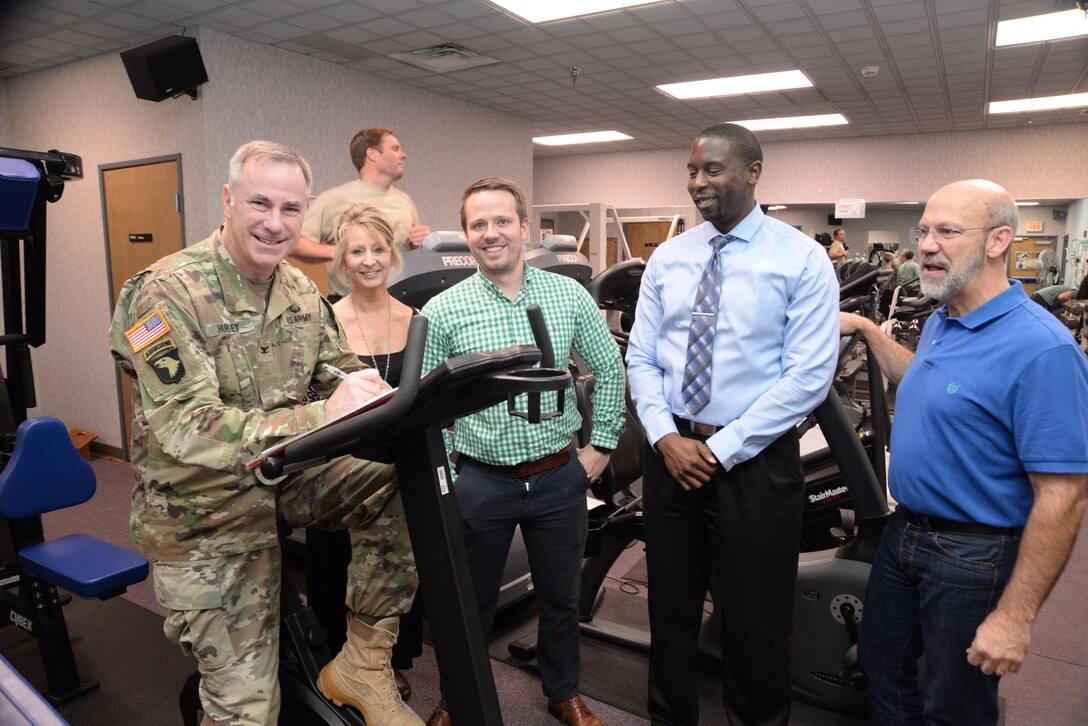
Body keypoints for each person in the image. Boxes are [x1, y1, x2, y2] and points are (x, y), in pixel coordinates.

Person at [109, 141, 423, 726]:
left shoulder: (300, 291)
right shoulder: (162, 292)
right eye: (260, 203)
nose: (275, 224)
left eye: (291, 209)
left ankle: (362, 662)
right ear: (228, 200)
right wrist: (323, 415)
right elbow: (186, 425)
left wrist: (384, 397)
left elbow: (339, 370)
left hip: (282, 478)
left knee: (403, 483)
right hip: (204, 515)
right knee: (249, 712)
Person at [840, 179, 1088, 725]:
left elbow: (1064, 497)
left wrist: (1016, 618)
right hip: (905, 533)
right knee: (883, 666)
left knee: (956, 702)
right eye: (924, 230)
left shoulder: (1042, 349)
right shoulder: (944, 318)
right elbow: (920, 378)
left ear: (999, 240)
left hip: (973, 555)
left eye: (948, 231)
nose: (928, 244)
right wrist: (863, 327)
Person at [626, 123, 839, 726]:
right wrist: (666, 437)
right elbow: (641, 357)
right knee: (669, 615)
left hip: (753, 464)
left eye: (712, 170)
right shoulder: (669, 258)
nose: (698, 182)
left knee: (756, 625)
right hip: (670, 459)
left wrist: (718, 450)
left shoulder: (800, 259)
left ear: (753, 171)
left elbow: (807, 379)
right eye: (692, 170)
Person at [419, 177, 625, 726]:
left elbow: (609, 370)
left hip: (559, 475)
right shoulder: (443, 310)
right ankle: (456, 699)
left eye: (502, 221)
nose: (492, 234)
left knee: (561, 599)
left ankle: (564, 693)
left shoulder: (567, 295)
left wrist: (600, 447)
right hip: (481, 482)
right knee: (471, 606)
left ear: (525, 227)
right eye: (478, 224)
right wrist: (452, 477)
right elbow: (424, 410)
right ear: (466, 235)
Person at [305, 203, 423, 702]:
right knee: (339, 566)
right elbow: (309, 396)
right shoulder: (323, 320)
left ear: (392, 255)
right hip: (341, 467)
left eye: (378, 249)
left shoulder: (417, 319)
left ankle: (388, 660)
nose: (370, 260)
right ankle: (340, 657)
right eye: (358, 251)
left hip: (400, 466)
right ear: (342, 261)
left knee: (397, 567)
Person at [292, 127, 431, 299]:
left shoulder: (405, 201)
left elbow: (410, 252)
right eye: (395, 149)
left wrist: (418, 245)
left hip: (399, 299)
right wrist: (341, 252)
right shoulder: (333, 198)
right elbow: (296, 242)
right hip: (347, 301)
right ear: (372, 154)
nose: (403, 155)